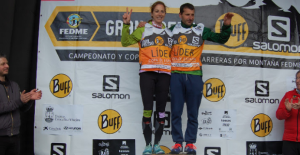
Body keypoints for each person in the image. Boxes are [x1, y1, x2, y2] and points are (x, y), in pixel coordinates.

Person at [168, 3, 233, 154]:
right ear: (180, 15)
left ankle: (190, 143)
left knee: (193, 113)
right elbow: (157, 42)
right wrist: (146, 26)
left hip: (194, 75)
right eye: (187, 14)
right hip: (176, 75)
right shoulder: (172, 31)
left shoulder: (200, 29)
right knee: (176, 112)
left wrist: (226, 26)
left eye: (192, 14)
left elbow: (221, 39)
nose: (190, 17)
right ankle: (178, 143)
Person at [121, 1, 173, 155]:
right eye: (156, 11)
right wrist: (126, 24)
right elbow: (125, 42)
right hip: (147, 74)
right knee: (148, 109)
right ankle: (147, 145)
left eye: (162, 11)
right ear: (152, 14)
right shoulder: (143, 29)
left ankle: (156, 145)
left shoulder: (170, 33)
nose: (159, 14)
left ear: (165, 14)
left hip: (164, 75)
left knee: (161, 111)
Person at [0, 54, 42, 155]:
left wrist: (29, 100)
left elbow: (21, 108)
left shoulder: (14, 85)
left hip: (15, 137)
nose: (7, 66)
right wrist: (20, 101)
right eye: (3, 64)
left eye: (7, 63)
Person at [276, 70, 300, 155]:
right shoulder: (288, 95)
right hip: (289, 140)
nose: (297, 81)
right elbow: (278, 115)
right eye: (297, 78)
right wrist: (287, 110)